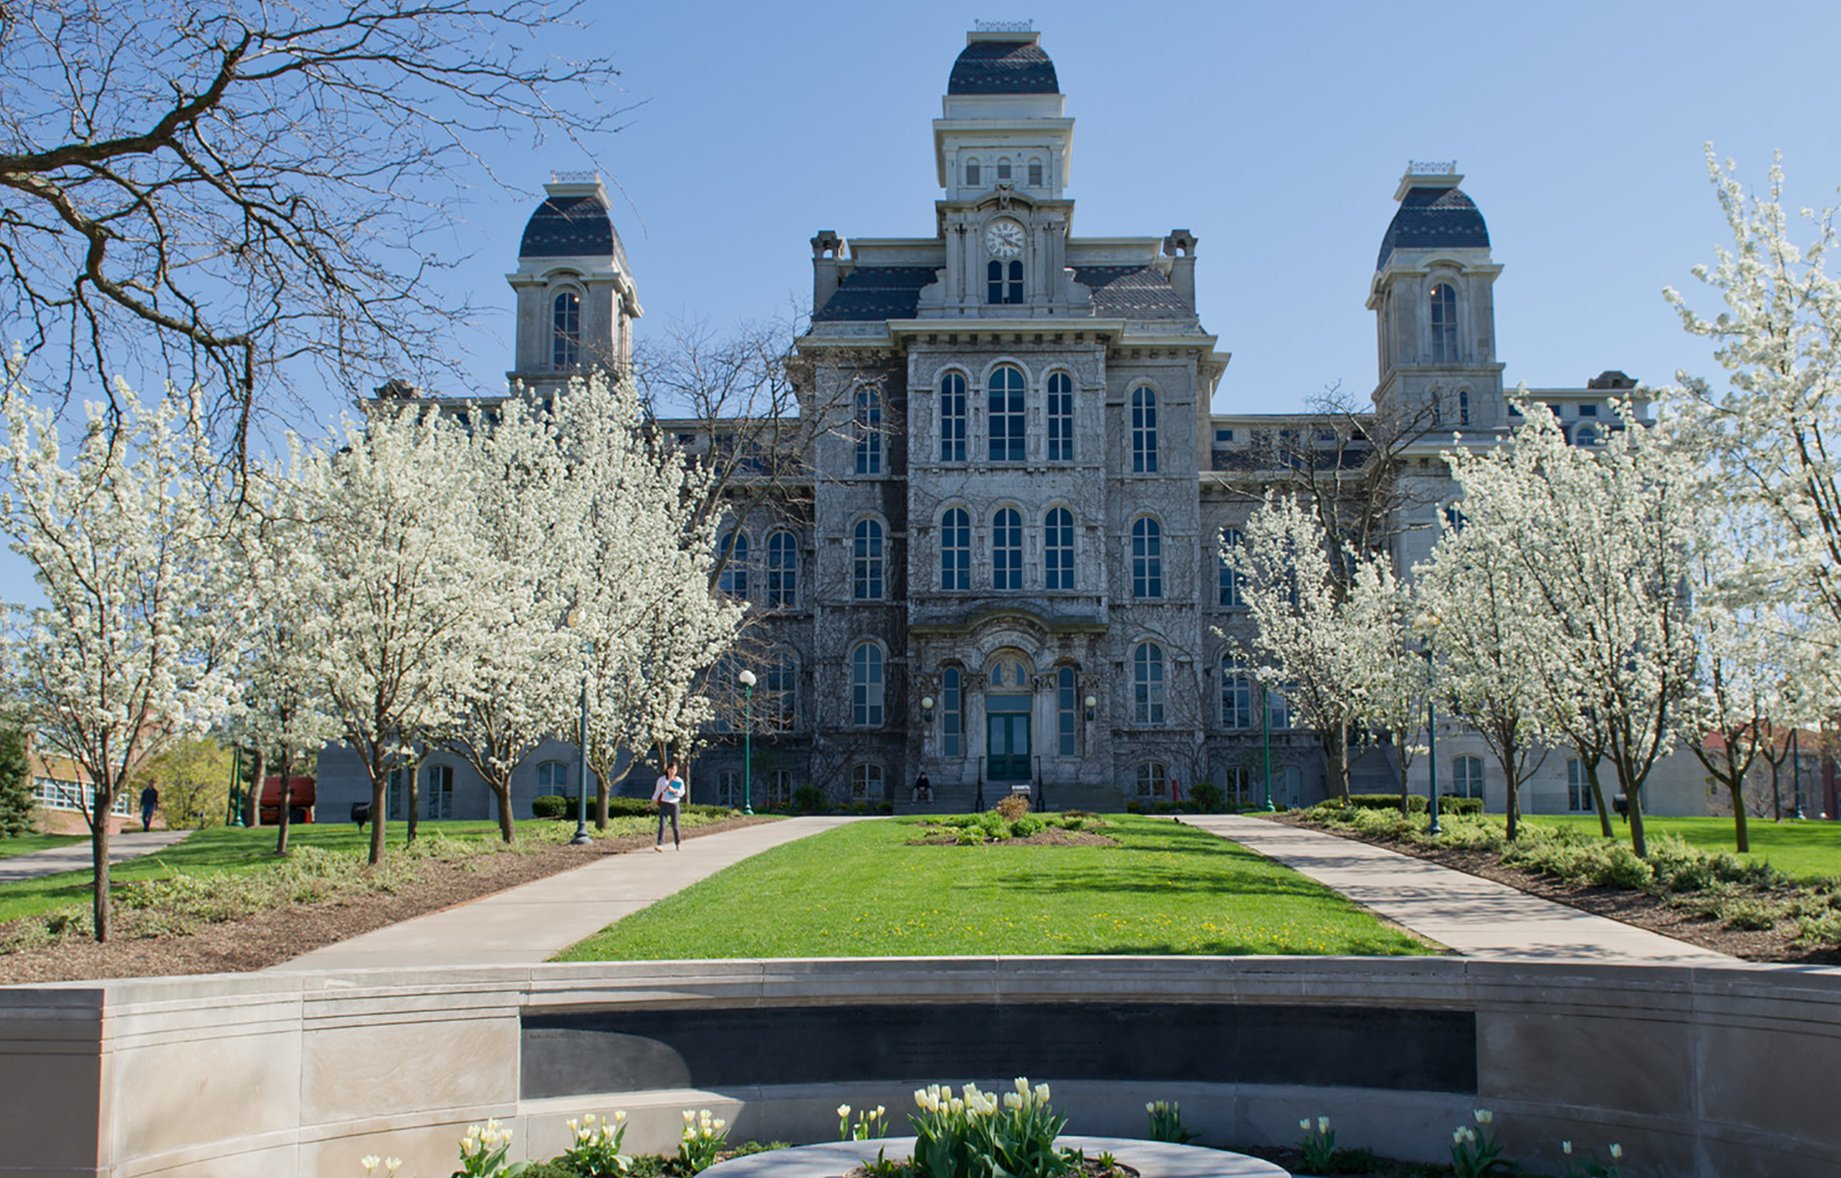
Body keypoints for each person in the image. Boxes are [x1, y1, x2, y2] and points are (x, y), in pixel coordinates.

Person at [652, 762, 685, 851]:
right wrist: (653, 800)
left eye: (674, 769)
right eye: (670, 769)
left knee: (675, 825)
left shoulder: (679, 781)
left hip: (674, 804)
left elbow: (682, 793)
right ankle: (660, 844)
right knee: (662, 824)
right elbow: (658, 791)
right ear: (667, 769)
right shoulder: (661, 780)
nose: (672, 771)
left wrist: (674, 791)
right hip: (664, 804)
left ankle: (677, 843)